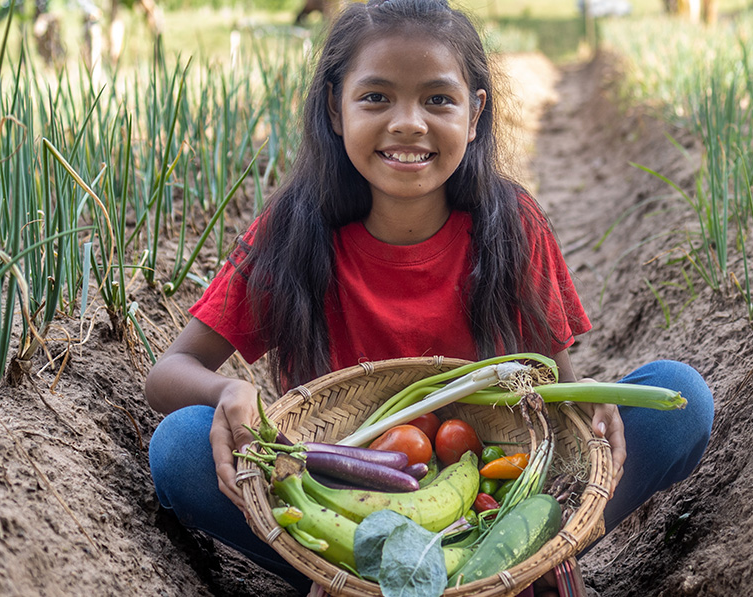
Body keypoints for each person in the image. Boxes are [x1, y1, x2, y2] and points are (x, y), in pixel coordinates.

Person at [144, 1, 714, 595]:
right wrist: (228, 391)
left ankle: (506, 567)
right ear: (336, 108)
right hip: (338, 499)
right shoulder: (290, 235)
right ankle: (364, 575)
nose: (409, 123)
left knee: (678, 398)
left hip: (497, 493)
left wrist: (586, 410)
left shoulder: (510, 225)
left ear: (475, 114)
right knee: (182, 444)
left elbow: (549, 386)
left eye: (438, 99)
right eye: (376, 98)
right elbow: (168, 374)